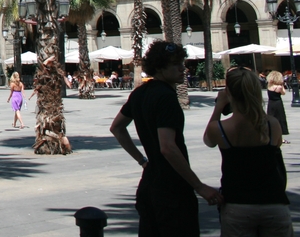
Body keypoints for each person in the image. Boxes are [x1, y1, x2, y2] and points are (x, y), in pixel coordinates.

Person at [110, 41, 221, 236]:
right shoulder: (166, 98)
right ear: (160, 68)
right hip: (172, 189)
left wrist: (143, 161)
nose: (182, 69)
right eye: (175, 64)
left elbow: (117, 128)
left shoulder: (139, 93)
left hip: (149, 183)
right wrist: (199, 186)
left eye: (182, 63)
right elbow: (167, 147)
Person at [203, 67, 291, 236]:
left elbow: (208, 140)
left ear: (230, 94)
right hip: (274, 202)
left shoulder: (221, 128)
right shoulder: (272, 124)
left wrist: (219, 106)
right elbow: (277, 146)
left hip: (237, 203)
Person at [266, 70, 290, 143]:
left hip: (270, 103)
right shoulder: (279, 87)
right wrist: (282, 85)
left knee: (271, 117)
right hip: (278, 103)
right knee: (280, 119)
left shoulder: (269, 86)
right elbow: (283, 93)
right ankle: (280, 137)